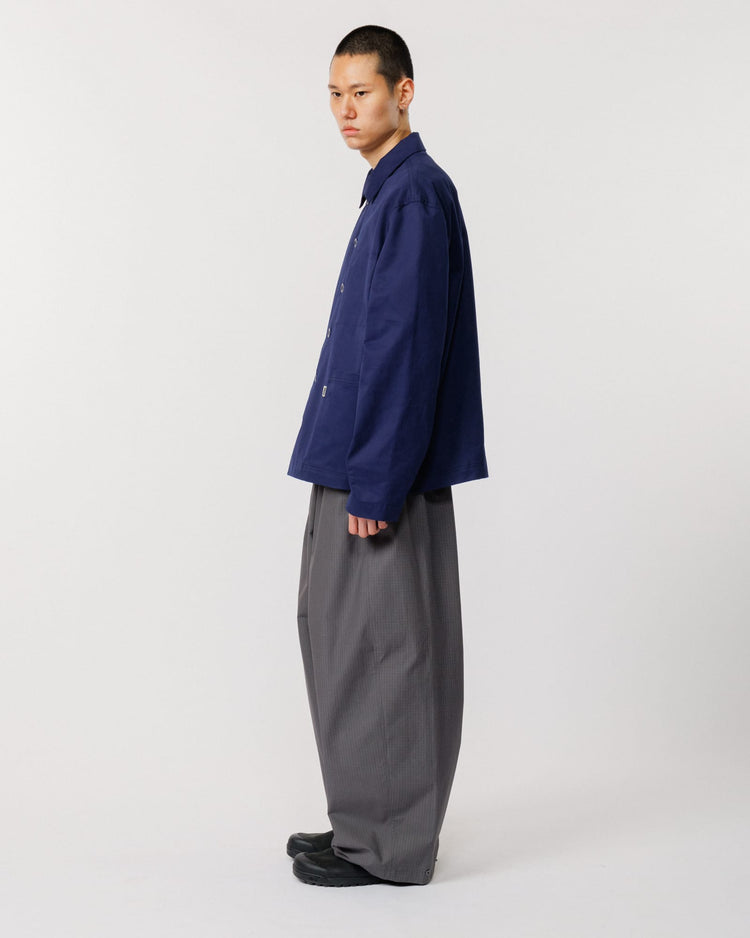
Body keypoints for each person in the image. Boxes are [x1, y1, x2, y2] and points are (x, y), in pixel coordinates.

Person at [286, 24, 488, 887]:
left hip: (377, 473)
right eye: (335, 95)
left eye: (361, 92)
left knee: (385, 650)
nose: (346, 110)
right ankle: (363, 822)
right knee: (346, 640)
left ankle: (389, 848)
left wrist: (377, 481)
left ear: (403, 93)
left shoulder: (411, 197)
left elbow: (403, 351)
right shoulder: (394, 192)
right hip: (358, 459)